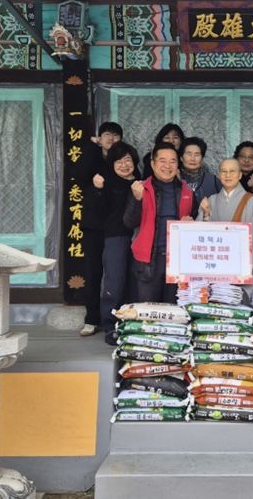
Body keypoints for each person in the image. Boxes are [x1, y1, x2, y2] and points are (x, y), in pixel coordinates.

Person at [123, 142, 195, 303]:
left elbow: (195, 223)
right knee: (148, 309)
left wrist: (191, 222)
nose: (167, 166)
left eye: (172, 161)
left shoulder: (187, 191)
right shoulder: (141, 188)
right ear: (153, 164)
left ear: (178, 164)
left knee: (174, 309)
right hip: (148, 259)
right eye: (162, 161)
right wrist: (137, 200)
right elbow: (129, 222)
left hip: (177, 260)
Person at [198, 159, 253, 297]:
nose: (228, 175)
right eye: (224, 171)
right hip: (216, 269)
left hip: (241, 266)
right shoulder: (211, 200)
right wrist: (205, 215)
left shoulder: (250, 200)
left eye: (232, 171)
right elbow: (200, 237)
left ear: (240, 175)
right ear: (219, 175)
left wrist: (251, 267)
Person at [77, 121, 122, 337]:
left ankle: (116, 316)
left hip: (117, 226)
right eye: (106, 134)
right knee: (93, 272)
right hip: (94, 226)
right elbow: (78, 173)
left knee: (117, 274)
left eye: (115, 135)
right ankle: (92, 318)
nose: (111, 138)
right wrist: (91, 146)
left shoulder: (122, 159)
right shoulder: (92, 156)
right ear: (99, 138)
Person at [97, 142, 140, 345]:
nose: (124, 165)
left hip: (140, 237)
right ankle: (111, 325)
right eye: (119, 161)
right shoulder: (107, 183)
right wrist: (98, 189)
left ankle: (132, 324)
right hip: (116, 237)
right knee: (114, 282)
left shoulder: (142, 182)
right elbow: (97, 211)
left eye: (127, 160)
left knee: (135, 283)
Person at [179, 136, 222, 213]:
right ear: (181, 158)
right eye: (189, 154)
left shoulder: (213, 181)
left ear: (202, 159)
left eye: (197, 155)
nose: (192, 159)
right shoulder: (174, 179)